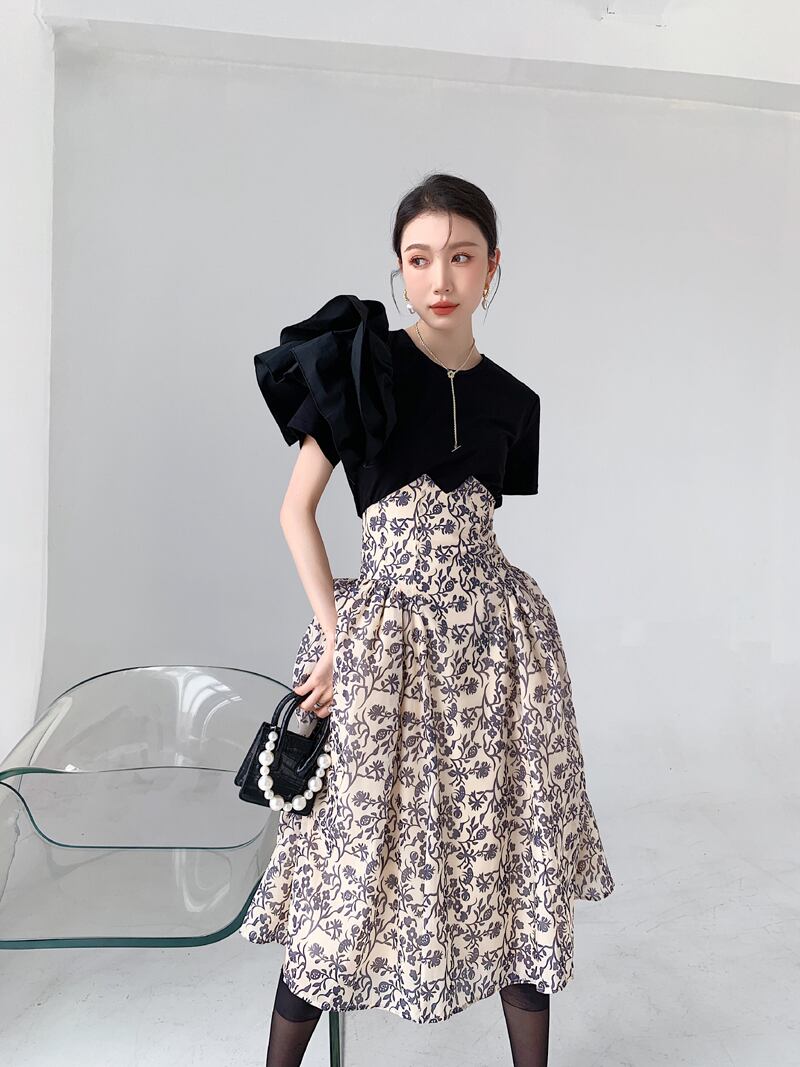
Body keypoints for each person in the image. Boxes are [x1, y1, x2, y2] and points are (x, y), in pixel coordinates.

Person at [239, 172, 615, 1067]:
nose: (439, 277)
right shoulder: (360, 365)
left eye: (460, 256)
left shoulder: (514, 401)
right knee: (346, 873)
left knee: (510, 854)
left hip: (499, 651)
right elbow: (296, 510)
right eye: (419, 258)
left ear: (493, 267)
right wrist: (337, 638)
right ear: (399, 268)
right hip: (383, 643)